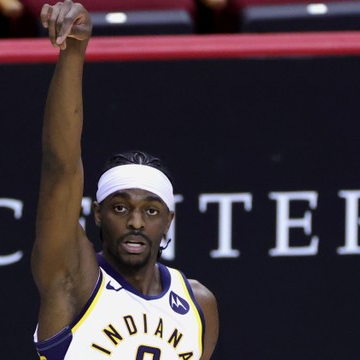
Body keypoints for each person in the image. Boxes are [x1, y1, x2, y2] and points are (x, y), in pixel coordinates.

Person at [31, 1, 219, 359]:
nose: (135, 222)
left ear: (169, 220)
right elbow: (61, 167)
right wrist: (73, 51)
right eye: (121, 207)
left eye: (151, 211)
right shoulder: (73, 278)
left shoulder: (199, 303)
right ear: (99, 214)